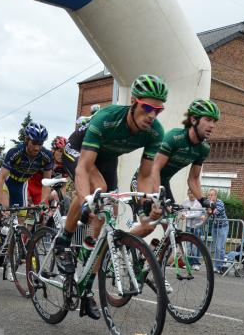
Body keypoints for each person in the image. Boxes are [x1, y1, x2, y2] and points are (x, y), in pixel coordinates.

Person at [55, 74, 167, 319]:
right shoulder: (107, 118)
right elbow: (83, 168)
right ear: (134, 102)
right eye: (147, 108)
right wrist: (86, 199)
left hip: (107, 159)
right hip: (80, 150)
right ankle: (63, 241)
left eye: (158, 110)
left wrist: (147, 204)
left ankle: (86, 286)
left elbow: (145, 175)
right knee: (97, 190)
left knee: (109, 216)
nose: (152, 115)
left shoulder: (155, 132)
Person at [130, 98, 220, 240]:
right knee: (148, 226)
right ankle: (118, 244)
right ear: (194, 120)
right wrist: (158, 197)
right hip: (145, 180)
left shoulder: (203, 148)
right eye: (208, 119)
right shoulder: (175, 138)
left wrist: (204, 201)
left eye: (214, 121)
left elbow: (193, 179)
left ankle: (155, 254)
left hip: (163, 183)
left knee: (172, 230)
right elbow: (155, 168)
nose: (212, 125)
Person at [0, 122, 53, 253]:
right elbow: (0, 178)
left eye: (40, 144)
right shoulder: (15, 152)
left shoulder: (46, 156)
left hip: (22, 184)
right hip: (7, 181)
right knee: (3, 210)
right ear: (27, 140)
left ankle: (10, 255)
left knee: (20, 222)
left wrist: (43, 202)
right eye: (34, 143)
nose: (37, 147)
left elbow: (46, 182)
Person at [181, 188, 206, 269]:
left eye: (192, 193)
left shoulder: (198, 202)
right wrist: (184, 214)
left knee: (195, 245)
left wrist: (186, 215)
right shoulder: (185, 201)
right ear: (187, 194)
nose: (191, 195)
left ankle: (196, 263)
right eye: (189, 193)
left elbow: (197, 214)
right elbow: (183, 210)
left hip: (196, 225)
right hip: (188, 225)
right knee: (188, 245)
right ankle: (189, 263)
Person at [206, 188, 229, 273]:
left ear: (216, 196)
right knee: (216, 247)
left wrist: (208, 211)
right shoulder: (208, 203)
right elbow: (207, 212)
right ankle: (217, 266)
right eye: (209, 195)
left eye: (212, 195)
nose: (210, 197)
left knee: (220, 247)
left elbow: (215, 212)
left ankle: (220, 266)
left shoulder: (220, 203)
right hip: (215, 227)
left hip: (223, 227)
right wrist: (208, 210)